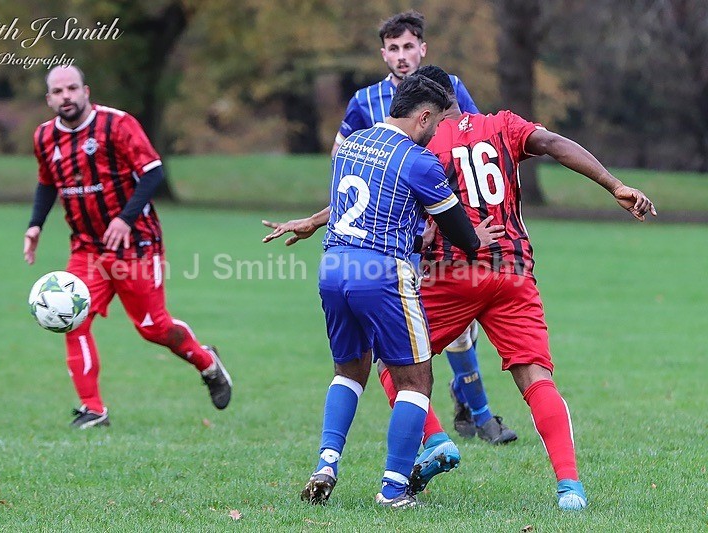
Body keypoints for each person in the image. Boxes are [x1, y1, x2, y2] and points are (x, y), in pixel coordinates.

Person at [271, 66, 656, 510]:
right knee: (536, 378)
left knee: (394, 366)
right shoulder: (505, 125)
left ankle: (435, 441)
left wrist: (318, 220)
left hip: (449, 274)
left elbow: (381, 186)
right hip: (511, 270)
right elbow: (553, 143)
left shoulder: (424, 145)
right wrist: (614, 185)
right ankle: (570, 488)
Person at [299, 74, 504, 509]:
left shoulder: (352, 144)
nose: (438, 132)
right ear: (423, 116)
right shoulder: (418, 160)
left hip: (333, 266)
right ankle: (393, 490)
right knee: (416, 381)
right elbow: (460, 233)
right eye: (438, 122)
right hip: (381, 272)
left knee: (348, 372)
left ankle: (327, 463)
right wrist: (476, 240)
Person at [331, 9, 517, 446]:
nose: (402, 55)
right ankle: (456, 422)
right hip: (388, 236)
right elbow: (343, 161)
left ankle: (473, 414)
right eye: (393, 48)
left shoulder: (450, 88)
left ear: (422, 49)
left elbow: (473, 148)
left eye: (408, 46)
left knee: (457, 329)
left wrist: (451, 218)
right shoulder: (365, 101)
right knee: (408, 336)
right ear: (383, 54)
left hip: (442, 222)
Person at [23, 66, 232, 428]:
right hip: (87, 248)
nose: (66, 96)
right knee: (73, 318)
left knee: (154, 328)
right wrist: (35, 225)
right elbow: (47, 183)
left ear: (86, 91)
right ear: (49, 99)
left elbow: (153, 172)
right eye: (58, 91)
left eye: (72, 88)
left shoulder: (117, 125)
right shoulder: (44, 137)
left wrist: (124, 219)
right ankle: (93, 410)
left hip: (137, 245)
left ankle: (208, 363)